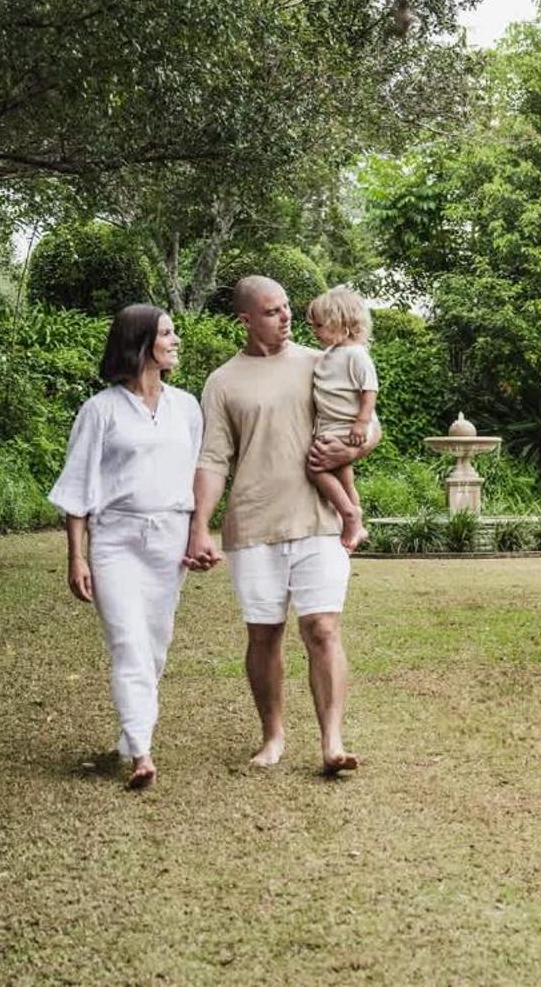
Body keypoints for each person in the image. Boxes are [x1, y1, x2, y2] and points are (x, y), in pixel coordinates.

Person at [185, 275, 377, 774]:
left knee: (322, 628)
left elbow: (367, 420)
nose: (287, 316)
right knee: (264, 634)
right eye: (272, 311)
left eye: (288, 307)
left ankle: (332, 742)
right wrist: (200, 526)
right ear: (245, 320)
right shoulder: (223, 381)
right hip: (253, 524)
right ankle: (272, 736)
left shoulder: (323, 361)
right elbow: (212, 458)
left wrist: (356, 445)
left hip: (319, 520)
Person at [50, 305, 203, 790]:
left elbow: (197, 475)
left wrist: (200, 534)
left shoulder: (187, 407)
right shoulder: (100, 411)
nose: (176, 340)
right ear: (140, 343)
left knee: (155, 643)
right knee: (128, 641)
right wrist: (77, 555)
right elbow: (78, 487)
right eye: (166, 333)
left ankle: (129, 731)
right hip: (115, 539)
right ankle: (141, 750)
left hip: (170, 537)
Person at [304, 286, 379, 552]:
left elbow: (369, 389)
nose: (315, 331)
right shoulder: (328, 355)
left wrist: (362, 421)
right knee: (345, 478)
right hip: (330, 426)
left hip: (345, 426)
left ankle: (348, 514)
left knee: (316, 468)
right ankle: (355, 521)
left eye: (320, 325)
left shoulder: (356, 355)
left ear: (342, 323)